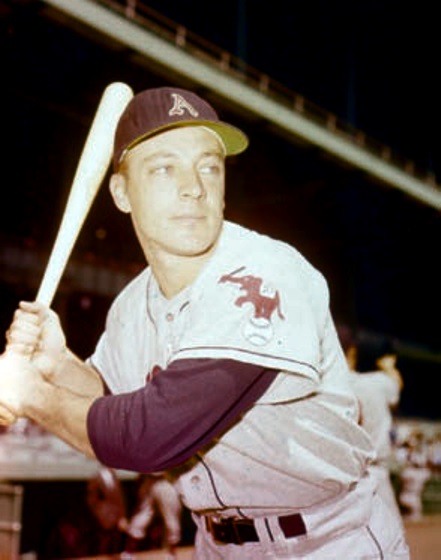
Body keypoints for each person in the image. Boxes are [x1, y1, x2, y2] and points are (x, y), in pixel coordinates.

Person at [0, 86, 409, 559]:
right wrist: (57, 364)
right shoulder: (132, 305)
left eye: (209, 167)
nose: (193, 186)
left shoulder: (263, 271)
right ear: (121, 193)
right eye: (164, 168)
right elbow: (109, 398)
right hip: (215, 544)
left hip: (327, 541)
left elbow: (153, 433)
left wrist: (31, 394)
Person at [339, 329, 404, 519]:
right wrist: (388, 365)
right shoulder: (380, 383)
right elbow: (397, 383)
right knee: (390, 533)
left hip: (344, 474)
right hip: (374, 472)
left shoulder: (341, 381)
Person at [119, 472, 183, 556]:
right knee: (142, 516)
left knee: (171, 519)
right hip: (150, 480)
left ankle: (172, 553)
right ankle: (129, 553)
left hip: (164, 481)